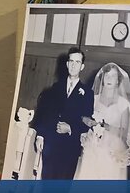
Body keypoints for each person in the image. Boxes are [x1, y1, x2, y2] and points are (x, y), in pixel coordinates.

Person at [71, 62, 130, 193]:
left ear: (117, 81)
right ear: (102, 78)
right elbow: (83, 117)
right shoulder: (93, 98)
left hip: (111, 149)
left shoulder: (123, 104)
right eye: (107, 75)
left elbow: (124, 132)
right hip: (93, 145)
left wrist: (105, 126)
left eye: (113, 76)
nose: (109, 79)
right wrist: (90, 122)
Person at [32, 47, 94, 180]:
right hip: (51, 145)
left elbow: (87, 122)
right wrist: (41, 136)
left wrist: (71, 128)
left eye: (77, 62)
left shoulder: (87, 93)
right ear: (67, 64)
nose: (73, 65)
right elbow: (45, 113)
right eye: (71, 61)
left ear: (82, 66)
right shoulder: (55, 88)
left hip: (69, 148)